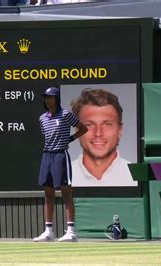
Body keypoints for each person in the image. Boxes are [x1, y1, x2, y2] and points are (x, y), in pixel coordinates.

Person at [33, 87, 87, 242]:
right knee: (48, 194)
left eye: (50, 97)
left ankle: (71, 232)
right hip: (47, 156)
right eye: (46, 98)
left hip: (60, 155)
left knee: (66, 193)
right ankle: (48, 232)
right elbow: (46, 136)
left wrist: (70, 139)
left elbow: (83, 128)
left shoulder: (66, 115)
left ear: (56, 99)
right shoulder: (42, 118)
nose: (47, 100)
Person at [70, 88, 136, 187]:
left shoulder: (134, 177)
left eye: (107, 124)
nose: (98, 133)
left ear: (120, 130)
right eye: (89, 125)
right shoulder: (61, 176)